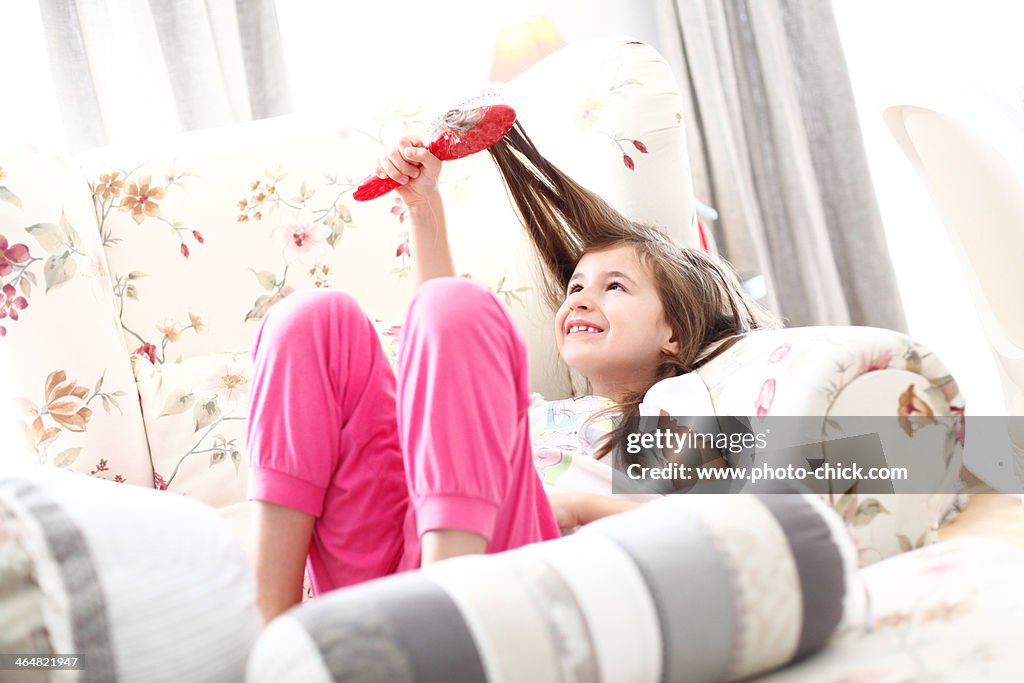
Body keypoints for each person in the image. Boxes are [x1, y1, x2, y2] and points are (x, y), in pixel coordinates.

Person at [246, 121, 778, 623]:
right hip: (394, 564)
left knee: (461, 305)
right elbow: (444, 333)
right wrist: (424, 209)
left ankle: (446, 625)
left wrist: (578, 507)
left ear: (675, 336)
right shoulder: (537, 413)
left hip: (507, 585)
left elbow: (731, 523)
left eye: (614, 286)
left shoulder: (665, 414)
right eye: (576, 288)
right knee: (312, 318)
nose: (582, 301)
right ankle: (272, 629)